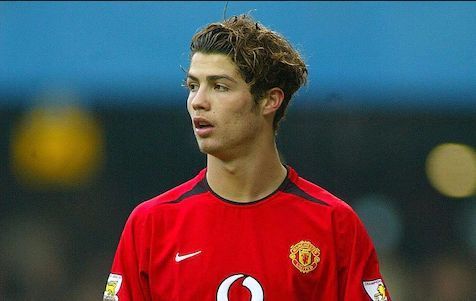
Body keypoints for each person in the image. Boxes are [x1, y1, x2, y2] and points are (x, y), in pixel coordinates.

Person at [104, 14, 391, 301]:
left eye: (220, 86)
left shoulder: (334, 225)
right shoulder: (152, 225)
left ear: (269, 100)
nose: (198, 101)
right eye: (193, 86)